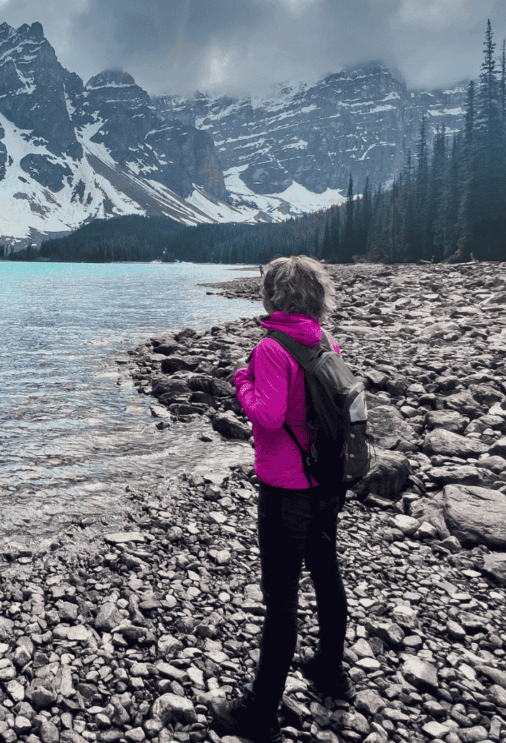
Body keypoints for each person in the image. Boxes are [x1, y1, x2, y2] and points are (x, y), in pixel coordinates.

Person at [214, 255, 354, 742]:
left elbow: (268, 417)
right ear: (316, 294)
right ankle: (330, 671)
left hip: (286, 488)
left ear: (274, 295)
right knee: (326, 573)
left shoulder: (274, 347)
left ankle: (260, 710)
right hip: (325, 482)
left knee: (281, 599)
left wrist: (242, 382)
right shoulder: (324, 340)